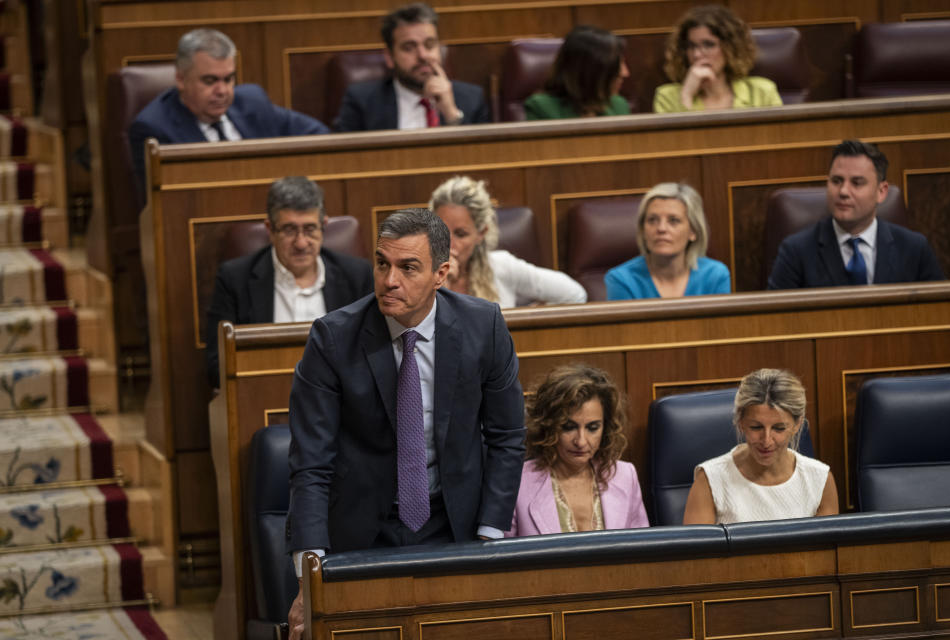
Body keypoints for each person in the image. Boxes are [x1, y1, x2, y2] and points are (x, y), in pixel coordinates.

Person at [285, 208, 525, 638]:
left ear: (441, 273)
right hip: (362, 531)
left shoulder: (483, 326)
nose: (389, 280)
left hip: (457, 526)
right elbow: (311, 462)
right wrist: (309, 577)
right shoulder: (333, 339)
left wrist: (490, 537)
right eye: (382, 263)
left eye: (408, 267)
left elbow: (507, 437)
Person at [204, 176, 373, 387]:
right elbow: (217, 365)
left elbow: (374, 353)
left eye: (310, 229)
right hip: (265, 401)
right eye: (289, 230)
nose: (301, 243)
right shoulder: (235, 280)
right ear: (270, 230)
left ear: (324, 226)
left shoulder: (356, 276)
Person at [128, 29, 328, 201]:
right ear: (181, 79)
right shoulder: (154, 129)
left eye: (228, 79)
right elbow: (166, 205)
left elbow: (318, 135)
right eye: (210, 80)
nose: (222, 90)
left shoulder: (253, 101)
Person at [767, 140, 944, 289]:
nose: (843, 191)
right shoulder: (796, 252)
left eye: (857, 183)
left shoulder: (914, 249)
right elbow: (777, 323)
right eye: (836, 181)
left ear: (881, 192)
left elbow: (939, 315)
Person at [507, 364, 649, 536]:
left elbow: (640, 554)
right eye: (568, 427)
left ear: (606, 427)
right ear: (549, 426)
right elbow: (505, 559)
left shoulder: (626, 476)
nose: (581, 441)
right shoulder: (518, 482)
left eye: (592, 427)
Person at [683, 368, 839, 524]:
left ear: (797, 424)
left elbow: (825, 547)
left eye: (779, 428)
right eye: (756, 427)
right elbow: (695, 547)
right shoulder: (710, 480)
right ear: (741, 422)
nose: (766, 441)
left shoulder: (820, 479)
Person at [430, 176, 587, 306]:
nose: (448, 242)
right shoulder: (416, 272)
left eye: (460, 234)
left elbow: (575, 294)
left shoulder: (501, 267)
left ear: (481, 233)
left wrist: (528, 318)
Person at [335, 3, 489, 131]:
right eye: (409, 47)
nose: (423, 55)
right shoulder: (362, 102)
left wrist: (452, 115)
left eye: (429, 45)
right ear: (389, 57)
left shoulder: (472, 99)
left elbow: (484, 159)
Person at [605, 182, 730, 299]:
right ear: (642, 231)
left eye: (673, 220)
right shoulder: (621, 280)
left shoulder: (715, 276)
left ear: (693, 231)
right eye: (652, 220)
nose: (661, 228)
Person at [653, 5, 782, 113]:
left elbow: (779, 137)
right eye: (691, 46)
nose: (697, 54)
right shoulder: (667, 96)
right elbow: (674, 142)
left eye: (709, 45)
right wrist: (686, 96)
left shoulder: (762, 91)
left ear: (730, 47)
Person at [524, 25, 631, 120]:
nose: (625, 73)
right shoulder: (541, 108)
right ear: (590, 72)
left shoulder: (619, 105)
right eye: (616, 66)